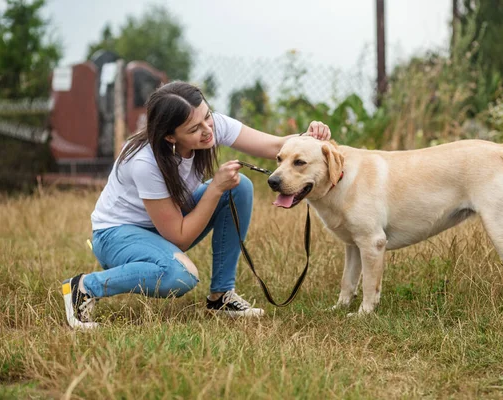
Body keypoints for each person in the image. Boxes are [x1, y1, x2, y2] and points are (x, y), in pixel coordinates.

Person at [61, 81, 331, 329]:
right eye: (194, 129)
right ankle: (85, 286)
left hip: (163, 224)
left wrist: (307, 138)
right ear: (170, 137)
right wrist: (214, 189)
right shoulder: (145, 162)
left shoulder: (209, 125)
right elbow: (179, 236)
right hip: (116, 236)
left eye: (207, 117)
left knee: (241, 187)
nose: (207, 130)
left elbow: (274, 145)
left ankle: (221, 297)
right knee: (179, 276)